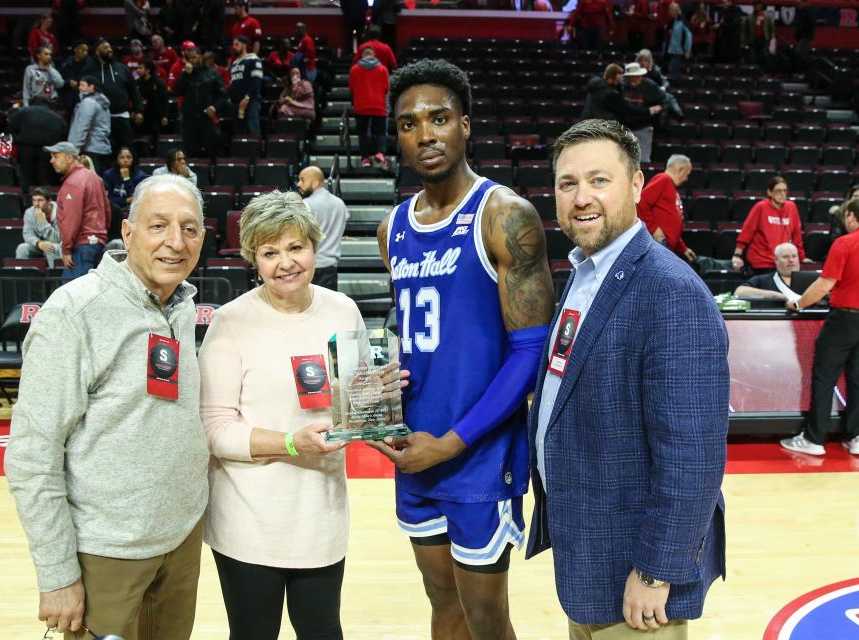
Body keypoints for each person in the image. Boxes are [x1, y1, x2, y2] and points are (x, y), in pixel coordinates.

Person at [369, 59, 556, 640]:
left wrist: (450, 443)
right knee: (441, 601)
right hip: (414, 451)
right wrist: (382, 387)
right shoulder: (391, 227)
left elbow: (529, 354)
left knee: (486, 616)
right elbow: (417, 337)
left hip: (475, 454)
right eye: (408, 124)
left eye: (439, 118)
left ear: (466, 125)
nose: (424, 134)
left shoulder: (504, 216)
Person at [527, 118, 728, 638]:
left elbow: (693, 454)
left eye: (599, 180)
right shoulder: (583, 274)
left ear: (637, 185)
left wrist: (657, 570)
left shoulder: (670, 291)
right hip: (590, 552)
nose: (581, 197)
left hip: (637, 579)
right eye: (567, 183)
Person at [4, 173, 208, 639]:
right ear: (128, 233)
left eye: (189, 228)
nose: (175, 242)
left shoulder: (180, 306)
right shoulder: (74, 313)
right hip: (106, 553)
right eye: (158, 226)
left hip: (180, 544)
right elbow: (32, 455)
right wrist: (57, 575)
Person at [199, 190, 388, 640]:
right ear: (253, 260)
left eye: (295, 247)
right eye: (269, 252)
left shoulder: (343, 310)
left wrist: (372, 396)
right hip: (248, 520)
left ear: (314, 246)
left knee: (323, 631)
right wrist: (289, 442)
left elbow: (352, 407)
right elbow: (215, 429)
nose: (285, 262)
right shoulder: (230, 321)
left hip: (320, 513)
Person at [782, 198, 859, 456]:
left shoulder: (845, 243)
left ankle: (814, 439)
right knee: (858, 379)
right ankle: (856, 437)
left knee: (824, 377)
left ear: (850, 216)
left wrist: (799, 303)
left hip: (844, 319)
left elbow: (824, 284)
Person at [46, 141, 112, 282]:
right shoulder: (94, 177)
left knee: (74, 296)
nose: (51, 161)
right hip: (96, 243)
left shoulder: (73, 182)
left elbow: (71, 220)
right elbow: (107, 211)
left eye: (56, 156)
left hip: (81, 246)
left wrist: (66, 249)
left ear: (69, 158)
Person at [733, 176, 806, 275]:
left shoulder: (791, 207)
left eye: (785, 191)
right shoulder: (760, 207)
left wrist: (802, 257)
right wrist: (737, 255)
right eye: (778, 191)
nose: (782, 194)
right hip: (762, 262)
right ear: (769, 192)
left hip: (782, 262)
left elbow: (797, 236)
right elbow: (747, 232)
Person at [82, 38, 140, 158]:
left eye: (109, 47)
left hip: (122, 115)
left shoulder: (122, 68)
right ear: (97, 52)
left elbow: (133, 90)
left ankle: (130, 175)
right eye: (105, 48)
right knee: (105, 151)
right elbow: (83, 92)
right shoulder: (89, 69)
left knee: (128, 149)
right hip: (100, 118)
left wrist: (138, 110)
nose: (109, 50)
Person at [637, 154, 696, 263]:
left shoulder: (670, 185)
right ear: (681, 170)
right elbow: (640, 202)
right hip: (660, 243)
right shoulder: (663, 179)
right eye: (687, 174)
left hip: (666, 244)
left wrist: (683, 248)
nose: (687, 179)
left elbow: (669, 225)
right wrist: (654, 229)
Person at [297, 166, 348, 290]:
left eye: (302, 180)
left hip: (310, 267)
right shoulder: (340, 203)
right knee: (328, 308)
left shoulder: (306, 204)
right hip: (331, 267)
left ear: (315, 182)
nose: (299, 184)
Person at [173, 46, 228, 160]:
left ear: (201, 57)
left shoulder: (213, 73)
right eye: (190, 58)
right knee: (191, 152)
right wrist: (185, 74)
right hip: (189, 120)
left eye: (194, 57)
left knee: (212, 151)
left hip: (207, 119)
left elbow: (222, 95)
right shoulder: (186, 75)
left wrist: (214, 107)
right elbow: (177, 91)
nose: (192, 60)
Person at [8, 95, 67, 190]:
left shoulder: (24, 111)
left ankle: (26, 199)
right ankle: (45, 201)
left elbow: (11, 125)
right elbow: (63, 132)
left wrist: (13, 110)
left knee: (26, 177)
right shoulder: (56, 116)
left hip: (25, 149)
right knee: (44, 179)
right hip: (47, 151)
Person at [581, 63, 663, 126]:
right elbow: (628, 110)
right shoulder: (609, 94)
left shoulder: (598, 82)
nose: (621, 80)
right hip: (599, 128)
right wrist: (649, 111)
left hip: (588, 123)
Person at [348, 46, 390, 169]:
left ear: (362, 56)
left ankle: (365, 159)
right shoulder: (382, 69)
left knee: (362, 134)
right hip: (379, 106)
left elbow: (351, 88)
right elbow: (386, 88)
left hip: (361, 106)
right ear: (373, 56)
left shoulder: (354, 69)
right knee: (381, 132)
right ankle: (380, 153)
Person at [734, 242, 811, 300]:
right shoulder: (763, 279)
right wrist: (775, 295)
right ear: (776, 260)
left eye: (794, 256)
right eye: (785, 257)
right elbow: (739, 292)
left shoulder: (810, 279)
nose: (791, 260)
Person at [67, 76, 112, 175]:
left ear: (91, 87)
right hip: (101, 147)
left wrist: (77, 147)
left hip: (89, 148)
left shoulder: (88, 102)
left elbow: (83, 126)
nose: (79, 88)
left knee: (90, 180)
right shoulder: (101, 102)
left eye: (82, 85)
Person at [621, 62, 664, 163]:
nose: (631, 80)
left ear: (639, 76)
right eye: (629, 77)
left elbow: (662, 101)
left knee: (643, 160)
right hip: (625, 128)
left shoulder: (650, 86)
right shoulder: (623, 85)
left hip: (644, 128)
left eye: (634, 77)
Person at [103, 146, 147, 239]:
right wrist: (126, 200)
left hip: (132, 209)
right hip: (113, 209)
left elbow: (137, 198)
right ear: (117, 159)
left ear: (133, 159)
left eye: (128, 157)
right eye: (122, 157)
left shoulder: (140, 175)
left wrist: (127, 179)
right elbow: (106, 198)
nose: (125, 160)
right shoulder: (108, 174)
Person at [16, 187, 63, 267]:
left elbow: (57, 239)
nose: (36, 204)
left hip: (57, 245)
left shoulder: (60, 212)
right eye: (34, 200)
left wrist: (42, 222)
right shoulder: (30, 213)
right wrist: (39, 243)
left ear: (49, 201)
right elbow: (28, 235)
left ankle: (55, 277)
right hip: (39, 245)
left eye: (40, 200)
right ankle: (23, 277)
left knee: (50, 247)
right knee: (22, 248)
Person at [228, 35, 263, 136]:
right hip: (235, 103)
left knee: (253, 129)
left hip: (251, 101)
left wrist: (247, 97)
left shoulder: (253, 59)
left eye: (236, 44)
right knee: (238, 131)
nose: (233, 46)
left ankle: (256, 151)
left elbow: (256, 81)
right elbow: (233, 82)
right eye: (233, 44)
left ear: (244, 45)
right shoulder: (234, 63)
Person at [135, 59, 170, 139]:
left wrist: (165, 116)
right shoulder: (137, 83)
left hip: (155, 116)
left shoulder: (159, 83)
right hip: (142, 114)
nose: (138, 70)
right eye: (138, 68)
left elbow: (164, 100)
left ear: (147, 70)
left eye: (140, 68)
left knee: (155, 132)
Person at [59, 39, 90, 114]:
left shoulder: (89, 65)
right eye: (83, 50)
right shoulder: (66, 65)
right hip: (70, 99)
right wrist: (68, 82)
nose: (85, 53)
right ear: (76, 49)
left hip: (85, 97)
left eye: (86, 51)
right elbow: (59, 82)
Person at [742, 2, 774, 68]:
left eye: (758, 5)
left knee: (764, 56)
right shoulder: (749, 17)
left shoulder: (767, 16)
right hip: (752, 40)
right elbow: (744, 31)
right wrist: (743, 41)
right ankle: (754, 72)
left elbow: (771, 28)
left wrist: (771, 39)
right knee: (752, 58)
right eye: (755, 5)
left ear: (761, 6)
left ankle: (762, 71)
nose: (756, 6)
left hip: (763, 40)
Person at [664, 3, 692, 81]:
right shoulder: (672, 20)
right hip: (671, 50)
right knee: (670, 69)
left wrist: (687, 50)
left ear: (676, 10)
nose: (669, 12)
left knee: (673, 70)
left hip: (679, 50)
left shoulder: (682, 21)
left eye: (671, 10)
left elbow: (688, 36)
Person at [713, 0, 744, 65]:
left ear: (730, 2)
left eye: (724, 2)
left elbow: (734, 24)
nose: (723, 4)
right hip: (722, 41)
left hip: (732, 43)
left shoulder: (736, 11)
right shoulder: (722, 12)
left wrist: (720, 25)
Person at [792, 0, 815, 72]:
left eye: (799, 3)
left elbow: (809, 25)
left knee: (800, 53)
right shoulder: (801, 12)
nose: (798, 5)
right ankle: (804, 71)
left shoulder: (808, 12)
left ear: (804, 3)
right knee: (802, 54)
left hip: (805, 36)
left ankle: (806, 71)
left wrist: (800, 32)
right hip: (801, 37)